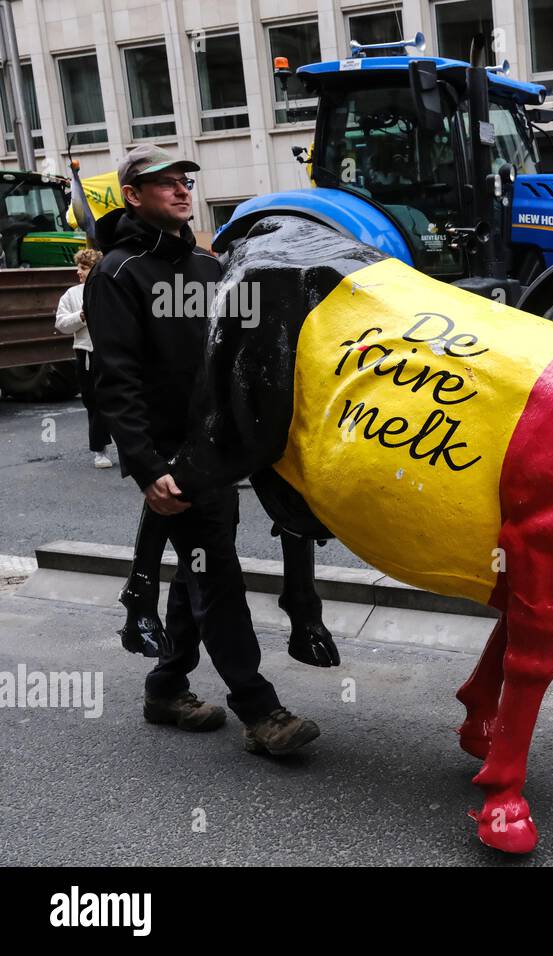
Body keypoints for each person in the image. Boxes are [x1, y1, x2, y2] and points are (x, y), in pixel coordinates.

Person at [84, 144, 320, 756]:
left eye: (185, 180)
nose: (181, 190)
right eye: (163, 183)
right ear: (133, 196)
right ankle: (259, 707)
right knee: (217, 573)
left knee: (200, 565)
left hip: (215, 453)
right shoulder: (116, 273)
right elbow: (116, 379)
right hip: (172, 461)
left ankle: (165, 686)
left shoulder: (208, 266)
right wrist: (145, 467)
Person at [55, 248, 112, 469]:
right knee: (94, 403)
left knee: (119, 400)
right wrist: (80, 316)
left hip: (111, 353)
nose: (78, 271)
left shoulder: (110, 290)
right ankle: (100, 451)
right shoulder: (71, 295)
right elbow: (60, 324)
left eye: (83, 267)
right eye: (78, 266)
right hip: (86, 353)